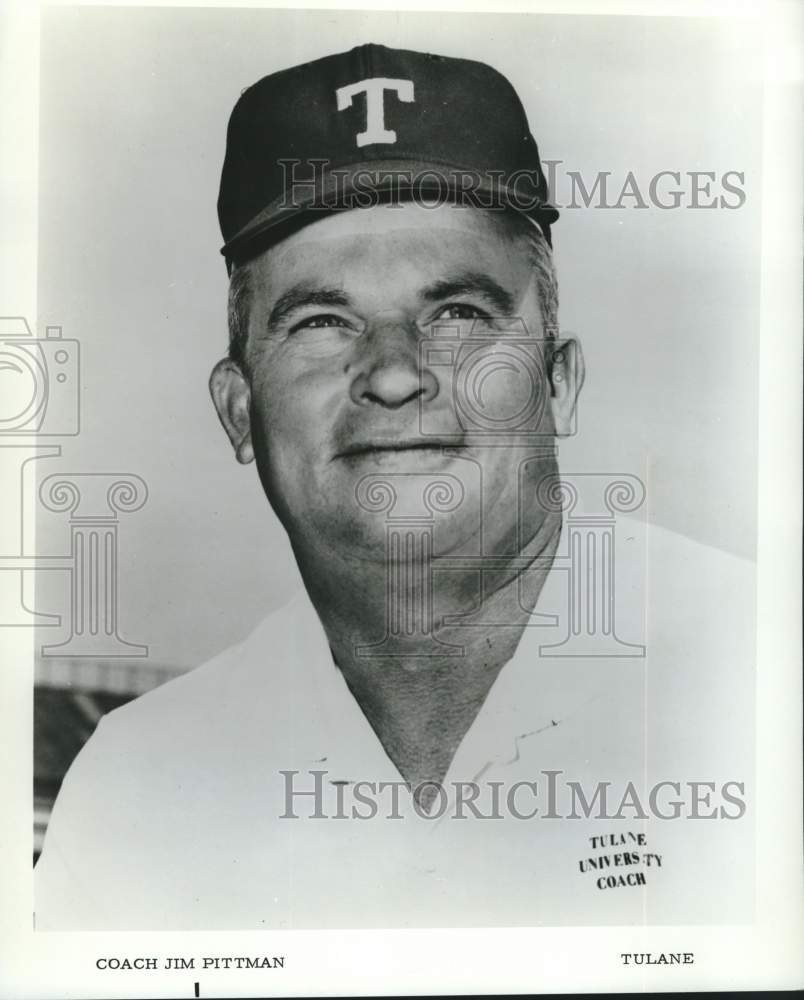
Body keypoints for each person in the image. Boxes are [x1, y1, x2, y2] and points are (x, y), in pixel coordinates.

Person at [35, 43, 754, 930]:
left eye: (456, 314)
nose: (393, 375)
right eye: (322, 320)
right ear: (237, 410)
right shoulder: (134, 787)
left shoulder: (763, 675)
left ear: (558, 383)